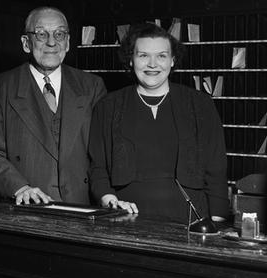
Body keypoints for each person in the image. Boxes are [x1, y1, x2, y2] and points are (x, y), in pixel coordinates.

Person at [88, 22, 229, 223]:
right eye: (143, 55)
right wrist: (110, 201)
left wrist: (216, 224)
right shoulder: (107, 107)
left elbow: (216, 171)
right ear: (131, 60)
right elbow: (98, 168)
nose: (152, 64)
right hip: (127, 219)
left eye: (162, 56)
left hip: (191, 221)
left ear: (172, 60)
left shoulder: (201, 105)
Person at [0, 6, 107, 205]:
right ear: (26, 43)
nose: (52, 42)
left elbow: (103, 154)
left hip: (81, 207)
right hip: (26, 207)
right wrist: (20, 188)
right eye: (41, 34)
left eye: (59, 34)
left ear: (68, 42)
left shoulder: (92, 87)